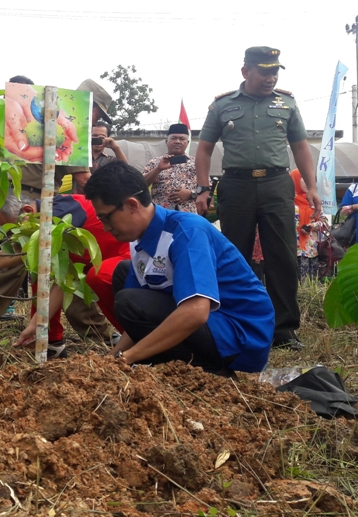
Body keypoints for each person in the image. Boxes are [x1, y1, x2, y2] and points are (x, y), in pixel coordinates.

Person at [86, 161, 274, 374]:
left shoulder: (187, 232)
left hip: (240, 334)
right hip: (213, 323)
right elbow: (139, 316)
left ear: (132, 205)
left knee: (128, 300)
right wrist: (113, 358)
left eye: (106, 217)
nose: (105, 228)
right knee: (124, 274)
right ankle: (167, 363)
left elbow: (196, 312)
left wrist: (129, 358)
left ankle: (209, 371)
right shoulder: (141, 240)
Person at [195, 46, 320, 350]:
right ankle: (236, 324)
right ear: (245, 71)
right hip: (236, 186)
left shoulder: (287, 104)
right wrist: (202, 188)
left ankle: (284, 331)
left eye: (275, 71)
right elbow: (204, 148)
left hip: (277, 185)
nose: (271, 78)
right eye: (264, 72)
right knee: (234, 256)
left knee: (282, 257)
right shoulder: (222, 106)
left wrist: (312, 187)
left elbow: (300, 147)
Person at [0, 191, 125, 353]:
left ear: (27, 211)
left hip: (118, 260)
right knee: (44, 278)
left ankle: (119, 338)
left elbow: (24, 247)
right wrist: (38, 327)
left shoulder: (63, 209)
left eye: (12, 229)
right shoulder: (39, 227)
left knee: (83, 282)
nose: (12, 236)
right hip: (80, 267)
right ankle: (52, 342)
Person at [18, 78, 115, 199]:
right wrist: (115, 200)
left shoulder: (48, 115)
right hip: (31, 197)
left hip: (8, 191)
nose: (95, 123)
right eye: (98, 116)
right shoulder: (72, 128)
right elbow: (84, 180)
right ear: (88, 105)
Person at [142, 123, 197, 213]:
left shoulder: (197, 164)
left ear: (187, 143)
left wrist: (191, 194)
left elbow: (207, 190)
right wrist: (158, 169)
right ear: (166, 142)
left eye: (182, 139)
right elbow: (141, 184)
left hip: (188, 214)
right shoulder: (154, 162)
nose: (177, 141)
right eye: (173, 138)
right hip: (160, 213)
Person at [291, 169, 327, 281]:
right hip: (294, 249)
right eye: (303, 179)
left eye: (310, 180)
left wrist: (313, 225)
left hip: (312, 250)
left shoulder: (314, 202)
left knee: (312, 282)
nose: (308, 183)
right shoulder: (288, 202)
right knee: (296, 282)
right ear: (295, 180)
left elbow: (324, 222)